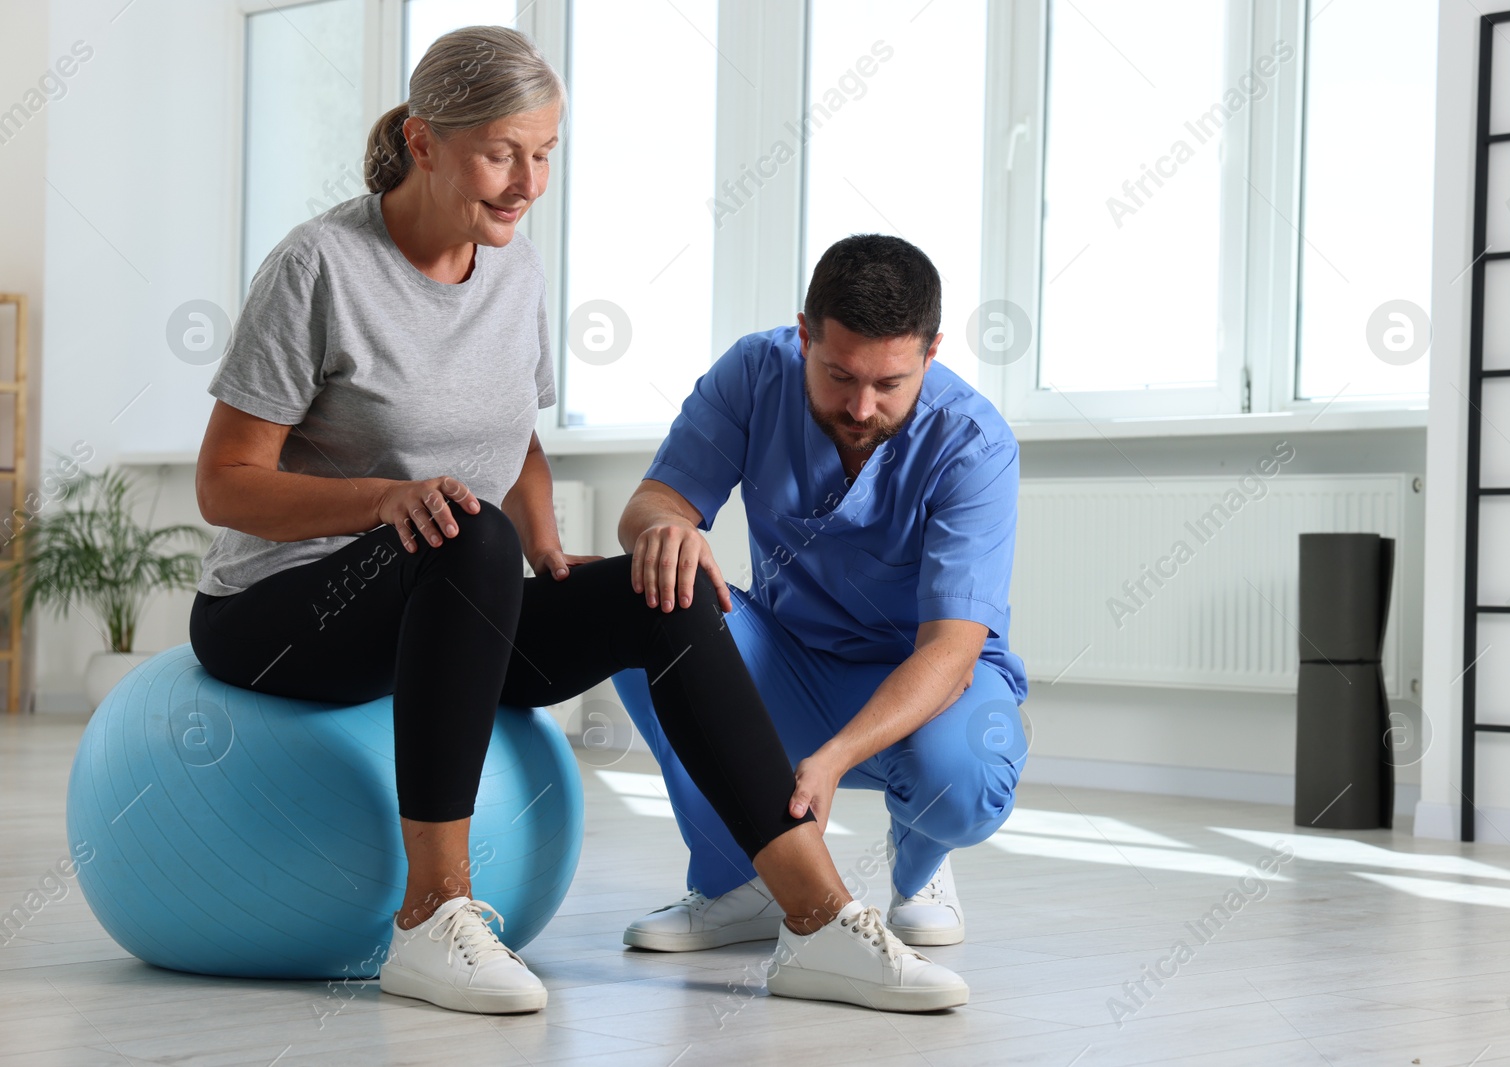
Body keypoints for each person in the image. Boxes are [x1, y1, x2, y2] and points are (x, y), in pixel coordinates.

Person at [188, 26, 966, 1015]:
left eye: (544, 154)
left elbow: (511, 435)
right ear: (424, 143)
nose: (526, 182)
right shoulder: (320, 264)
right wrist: (384, 500)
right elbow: (226, 479)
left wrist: (548, 544)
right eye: (501, 152)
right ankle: (432, 913)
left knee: (668, 585)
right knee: (471, 534)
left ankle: (816, 920)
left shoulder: (512, 270)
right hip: (280, 613)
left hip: (441, 603)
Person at [613, 234, 1028, 953]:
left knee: (960, 782)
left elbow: (952, 653)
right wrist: (666, 530)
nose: (861, 406)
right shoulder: (753, 372)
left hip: (927, 684)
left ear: (930, 355)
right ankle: (739, 881)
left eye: (890, 383)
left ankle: (922, 859)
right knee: (633, 600)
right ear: (804, 336)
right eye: (839, 375)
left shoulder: (974, 444)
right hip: (788, 661)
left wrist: (834, 757)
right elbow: (650, 504)